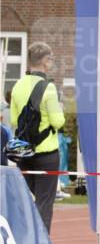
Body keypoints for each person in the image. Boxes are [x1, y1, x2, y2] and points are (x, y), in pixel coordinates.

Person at [10, 42, 65, 233]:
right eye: (51, 59)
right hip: (46, 153)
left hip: (24, 152)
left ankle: (26, 241)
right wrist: (60, 109)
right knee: (44, 202)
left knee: (28, 201)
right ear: (45, 61)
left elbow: (14, 120)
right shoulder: (49, 88)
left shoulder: (17, 85)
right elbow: (58, 122)